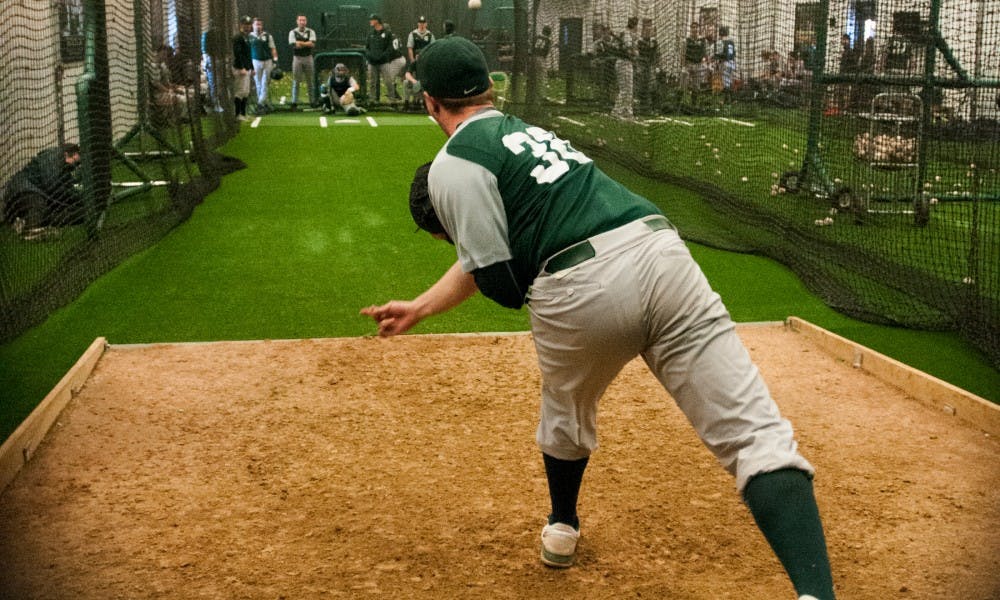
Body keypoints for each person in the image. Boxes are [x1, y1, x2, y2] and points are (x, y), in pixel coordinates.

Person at [361, 36, 836, 600]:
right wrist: (422, 305)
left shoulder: (452, 164)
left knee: (565, 413)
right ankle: (816, 592)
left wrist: (504, 260)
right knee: (755, 435)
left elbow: (502, 285)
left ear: (429, 102)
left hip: (580, 285)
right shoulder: (528, 132)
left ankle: (563, 526)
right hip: (661, 252)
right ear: (490, 88)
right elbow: (491, 251)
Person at [1, 144, 84, 240]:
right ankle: (30, 229)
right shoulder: (52, 157)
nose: (74, 166)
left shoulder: (64, 167)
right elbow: (53, 187)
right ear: (66, 155)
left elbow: (67, 189)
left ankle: (22, 221)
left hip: (34, 193)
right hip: (21, 190)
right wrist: (79, 200)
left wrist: (81, 200)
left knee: (54, 212)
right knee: (39, 203)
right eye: (75, 162)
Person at [365, 14, 406, 104]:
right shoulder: (370, 34)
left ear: (377, 21)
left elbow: (390, 48)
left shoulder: (387, 34)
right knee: (372, 81)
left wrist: (383, 56)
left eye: (372, 19)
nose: (370, 21)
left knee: (388, 81)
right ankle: (372, 100)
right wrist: (369, 56)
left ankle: (392, 99)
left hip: (384, 62)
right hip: (372, 62)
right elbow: (367, 47)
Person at [151, 44, 189, 124]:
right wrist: (171, 91)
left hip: (165, 91)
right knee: (182, 99)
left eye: (166, 54)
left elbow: (167, 83)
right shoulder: (153, 66)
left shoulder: (163, 65)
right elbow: (157, 84)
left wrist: (177, 87)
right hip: (157, 94)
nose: (165, 56)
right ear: (158, 53)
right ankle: (178, 119)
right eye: (163, 54)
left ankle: (182, 117)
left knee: (187, 92)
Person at [405, 16, 435, 110]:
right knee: (410, 82)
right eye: (420, 23)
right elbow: (410, 48)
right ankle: (414, 101)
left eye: (423, 23)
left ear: (426, 24)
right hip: (415, 61)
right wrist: (413, 60)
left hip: (426, 61)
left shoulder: (430, 35)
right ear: (418, 24)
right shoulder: (413, 34)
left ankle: (425, 102)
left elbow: (433, 48)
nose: (422, 25)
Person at [250, 17, 278, 114]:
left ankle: (260, 104)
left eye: (260, 24)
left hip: (267, 61)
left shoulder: (267, 36)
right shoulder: (249, 37)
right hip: (255, 61)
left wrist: (275, 60)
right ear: (253, 25)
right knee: (258, 83)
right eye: (256, 24)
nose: (258, 26)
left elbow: (273, 48)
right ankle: (263, 104)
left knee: (265, 82)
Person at [288, 14, 317, 110]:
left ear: (306, 21)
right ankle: (294, 102)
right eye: (300, 20)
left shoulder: (311, 31)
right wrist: (306, 43)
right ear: (297, 21)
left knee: (310, 81)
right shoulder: (292, 32)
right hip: (297, 58)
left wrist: (300, 43)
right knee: (296, 81)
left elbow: (312, 44)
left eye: (304, 20)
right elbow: (294, 45)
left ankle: (312, 101)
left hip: (308, 58)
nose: (302, 22)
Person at [611, 18, 638, 120]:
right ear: (634, 26)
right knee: (625, 89)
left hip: (623, 63)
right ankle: (617, 111)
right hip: (624, 63)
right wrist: (634, 53)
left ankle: (627, 111)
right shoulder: (626, 35)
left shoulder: (624, 33)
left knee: (628, 89)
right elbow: (628, 50)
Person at [201, 20, 226, 112]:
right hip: (211, 60)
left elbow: (225, 48)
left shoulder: (221, 35)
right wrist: (207, 63)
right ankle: (215, 104)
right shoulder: (207, 35)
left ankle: (215, 102)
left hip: (219, 60)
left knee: (219, 83)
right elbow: (205, 51)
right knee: (213, 83)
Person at [232, 15, 254, 121]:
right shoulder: (238, 37)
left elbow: (248, 54)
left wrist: (252, 68)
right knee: (240, 91)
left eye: (249, 25)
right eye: (245, 24)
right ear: (241, 25)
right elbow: (238, 53)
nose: (247, 27)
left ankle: (244, 113)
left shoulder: (247, 37)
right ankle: (237, 114)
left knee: (246, 92)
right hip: (240, 68)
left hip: (247, 68)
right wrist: (241, 68)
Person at [635, 18, 659, 114]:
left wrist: (657, 66)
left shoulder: (654, 41)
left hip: (651, 65)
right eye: (646, 26)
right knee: (641, 85)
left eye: (650, 25)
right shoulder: (639, 41)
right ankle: (641, 106)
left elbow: (656, 54)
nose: (648, 28)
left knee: (652, 86)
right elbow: (638, 52)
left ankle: (653, 107)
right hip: (642, 64)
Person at [711, 25, 737, 94]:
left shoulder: (721, 42)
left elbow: (719, 54)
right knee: (729, 81)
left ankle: (727, 100)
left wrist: (715, 58)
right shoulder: (731, 42)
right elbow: (734, 53)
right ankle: (729, 98)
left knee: (725, 83)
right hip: (732, 63)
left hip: (725, 63)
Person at [531, 25, 552, 100]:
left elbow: (532, 47)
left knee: (534, 77)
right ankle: (542, 95)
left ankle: (533, 94)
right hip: (540, 58)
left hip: (532, 58)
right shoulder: (548, 40)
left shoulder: (536, 37)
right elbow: (546, 51)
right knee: (542, 77)